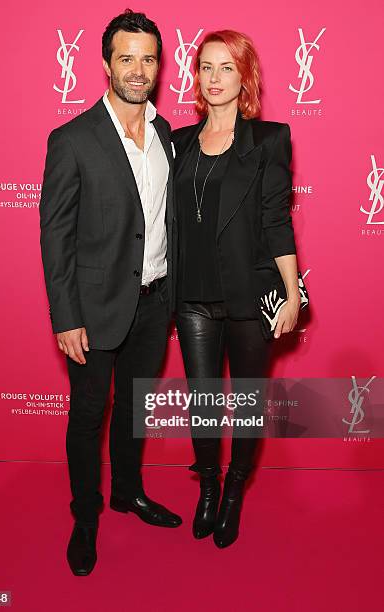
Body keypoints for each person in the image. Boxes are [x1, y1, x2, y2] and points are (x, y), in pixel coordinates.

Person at [39, 10, 181, 577]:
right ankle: (86, 516)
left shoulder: (167, 132)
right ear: (105, 65)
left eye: (148, 58)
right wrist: (66, 315)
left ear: (158, 65)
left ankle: (128, 492)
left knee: (136, 408)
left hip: (154, 301)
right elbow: (56, 237)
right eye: (127, 57)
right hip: (93, 310)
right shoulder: (72, 140)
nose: (138, 69)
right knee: (88, 416)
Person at [172, 30, 301, 548]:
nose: (215, 77)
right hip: (192, 296)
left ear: (244, 75)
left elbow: (276, 223)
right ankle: (206, 484)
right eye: (206, 67)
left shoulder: (269, 140)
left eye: (227, 67)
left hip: (250, 296)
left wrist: (291, 294)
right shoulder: (177, 141)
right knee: (202, 400)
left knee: (247, 401)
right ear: (196, 75)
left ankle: (233, 493)